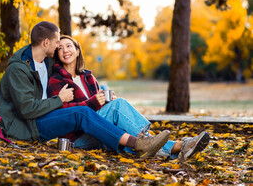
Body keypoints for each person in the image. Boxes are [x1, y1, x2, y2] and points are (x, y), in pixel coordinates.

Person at [0, 21, 171, 158]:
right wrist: (60, 99)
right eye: (57, 42)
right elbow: (27, 110)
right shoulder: (18, 69)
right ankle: (139, 144)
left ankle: (163, 146)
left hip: (44, 117)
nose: (60, 46)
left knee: (111, 109)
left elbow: (69, 65)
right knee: (82, 113)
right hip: (28, 127)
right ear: (45, 43)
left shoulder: (46, 61)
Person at [47, 35, 210, 160]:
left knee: (121, 122)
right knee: (119, 106)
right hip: (77, 137)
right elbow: (61, 115)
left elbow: (99, 108)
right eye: (60, 48)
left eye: (69, 46)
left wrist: (106, 102)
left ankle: (179, 148)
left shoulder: (88, 77)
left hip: (99, 130)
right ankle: (177, 145)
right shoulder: (56, 80)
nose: (65, 50)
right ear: (57, 54)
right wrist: (96, 103)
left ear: (77, 50)